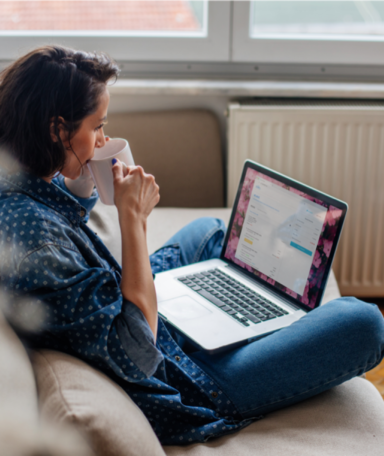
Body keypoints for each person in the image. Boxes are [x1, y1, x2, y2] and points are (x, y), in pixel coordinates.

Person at [0, 45, 383, 446]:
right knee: (363, 322)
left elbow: (65, 219)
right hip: (187, 378)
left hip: (141, 318)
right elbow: (139, 351)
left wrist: (82, 174)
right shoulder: (37, 244)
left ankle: (252, 310)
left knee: (209, 231)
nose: (103, 139)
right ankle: (260, 324)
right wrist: (133, 218)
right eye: (96, 127)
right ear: (58, 130)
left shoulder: (22, 184)